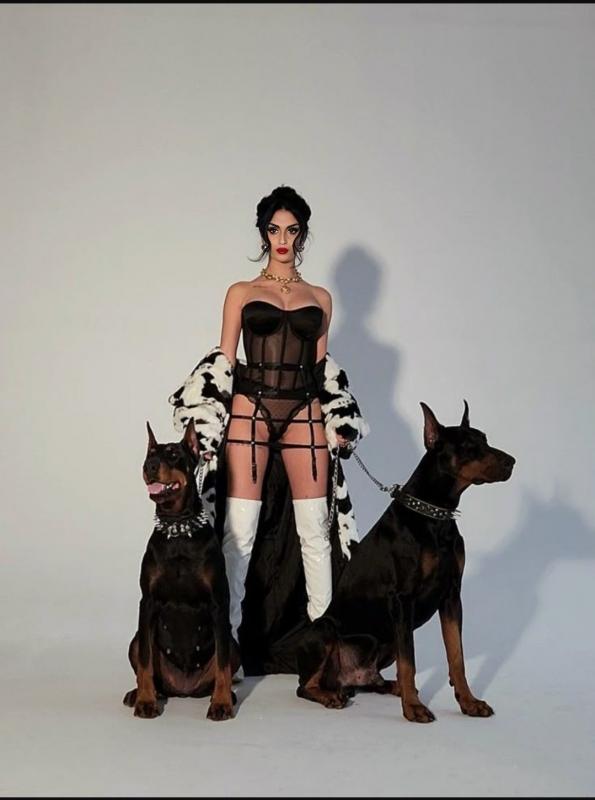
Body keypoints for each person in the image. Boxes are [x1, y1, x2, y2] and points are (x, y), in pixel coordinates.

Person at [168, 185, 369, 675]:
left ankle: (323, 654)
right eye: (274, 230)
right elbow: (224, 360)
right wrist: (206, 420)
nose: (283, 239)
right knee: (238, 533)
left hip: (303, 409)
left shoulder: (320, 298)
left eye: (292, 230)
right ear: (263, 233)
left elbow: (320, 370)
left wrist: (339, 419)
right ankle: (228, 653)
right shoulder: (240, 292)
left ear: (302, 234)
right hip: (250, 408)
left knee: (316, 532)